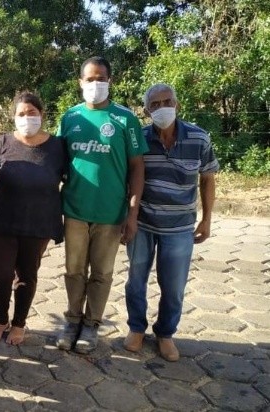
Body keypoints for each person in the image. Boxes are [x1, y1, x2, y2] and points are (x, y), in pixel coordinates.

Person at [55, 56, 148, 354]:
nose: (95, 84)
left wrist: (132, 213)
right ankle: (72, 321)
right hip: (75, 210)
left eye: (101, 79)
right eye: (90, 79)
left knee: (102, 272)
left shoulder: (125, 119)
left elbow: (137, 167)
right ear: (80, 82)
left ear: (110, 81)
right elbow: (57, 162)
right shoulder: (70, 118)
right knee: (73, 270)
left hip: (110, 213)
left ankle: (92, 324)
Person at [123, 83, 218, 361]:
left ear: (177, 104)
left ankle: (165, 333)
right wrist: (127, 218)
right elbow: (129, 179)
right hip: (142, 223)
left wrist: (207, 220)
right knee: (135, 281)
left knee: (174, 287)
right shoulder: (139, 139)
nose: (162, 108)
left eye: (167, 102)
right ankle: (136, 328)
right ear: (146, 111)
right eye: (155, 105)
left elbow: (208, 179)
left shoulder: (198, 138)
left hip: (179, 227)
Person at [0, 91, 67, 345]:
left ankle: (19, 324)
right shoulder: (2, 142)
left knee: (27, 276)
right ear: (14, 117)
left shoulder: (58, 146)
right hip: (1, 221)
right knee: (0, 275)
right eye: (21, 114)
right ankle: (0, 320)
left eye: (32, 113)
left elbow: (70, 180)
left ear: (42, 114)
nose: (27, 118)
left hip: (38, 223)